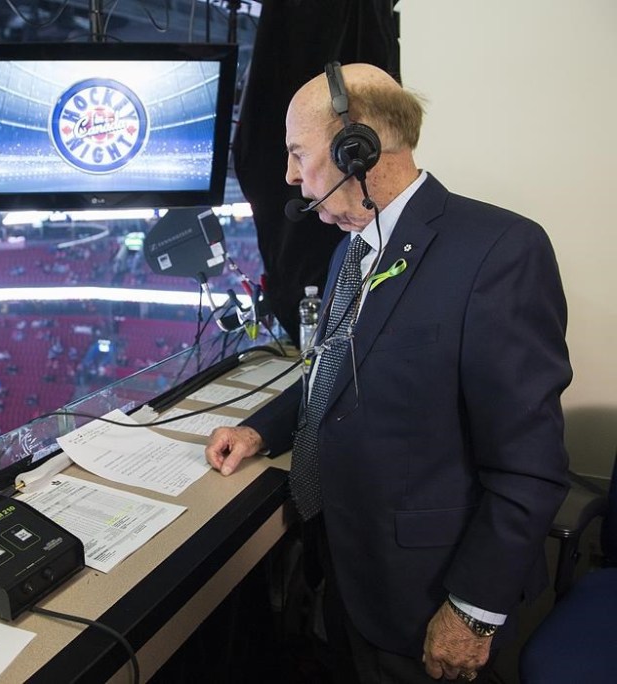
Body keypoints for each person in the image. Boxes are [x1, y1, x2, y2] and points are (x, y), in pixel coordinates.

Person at [205, 63, 571, 683]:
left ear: (358, 149)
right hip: (350, 570)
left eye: (299, 153)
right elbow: (337, 374)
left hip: (428, 597)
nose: (291, 175)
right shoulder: (356, 242)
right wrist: (263, 429)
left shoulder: (501, 251)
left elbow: (529, 465)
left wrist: (471, 613)